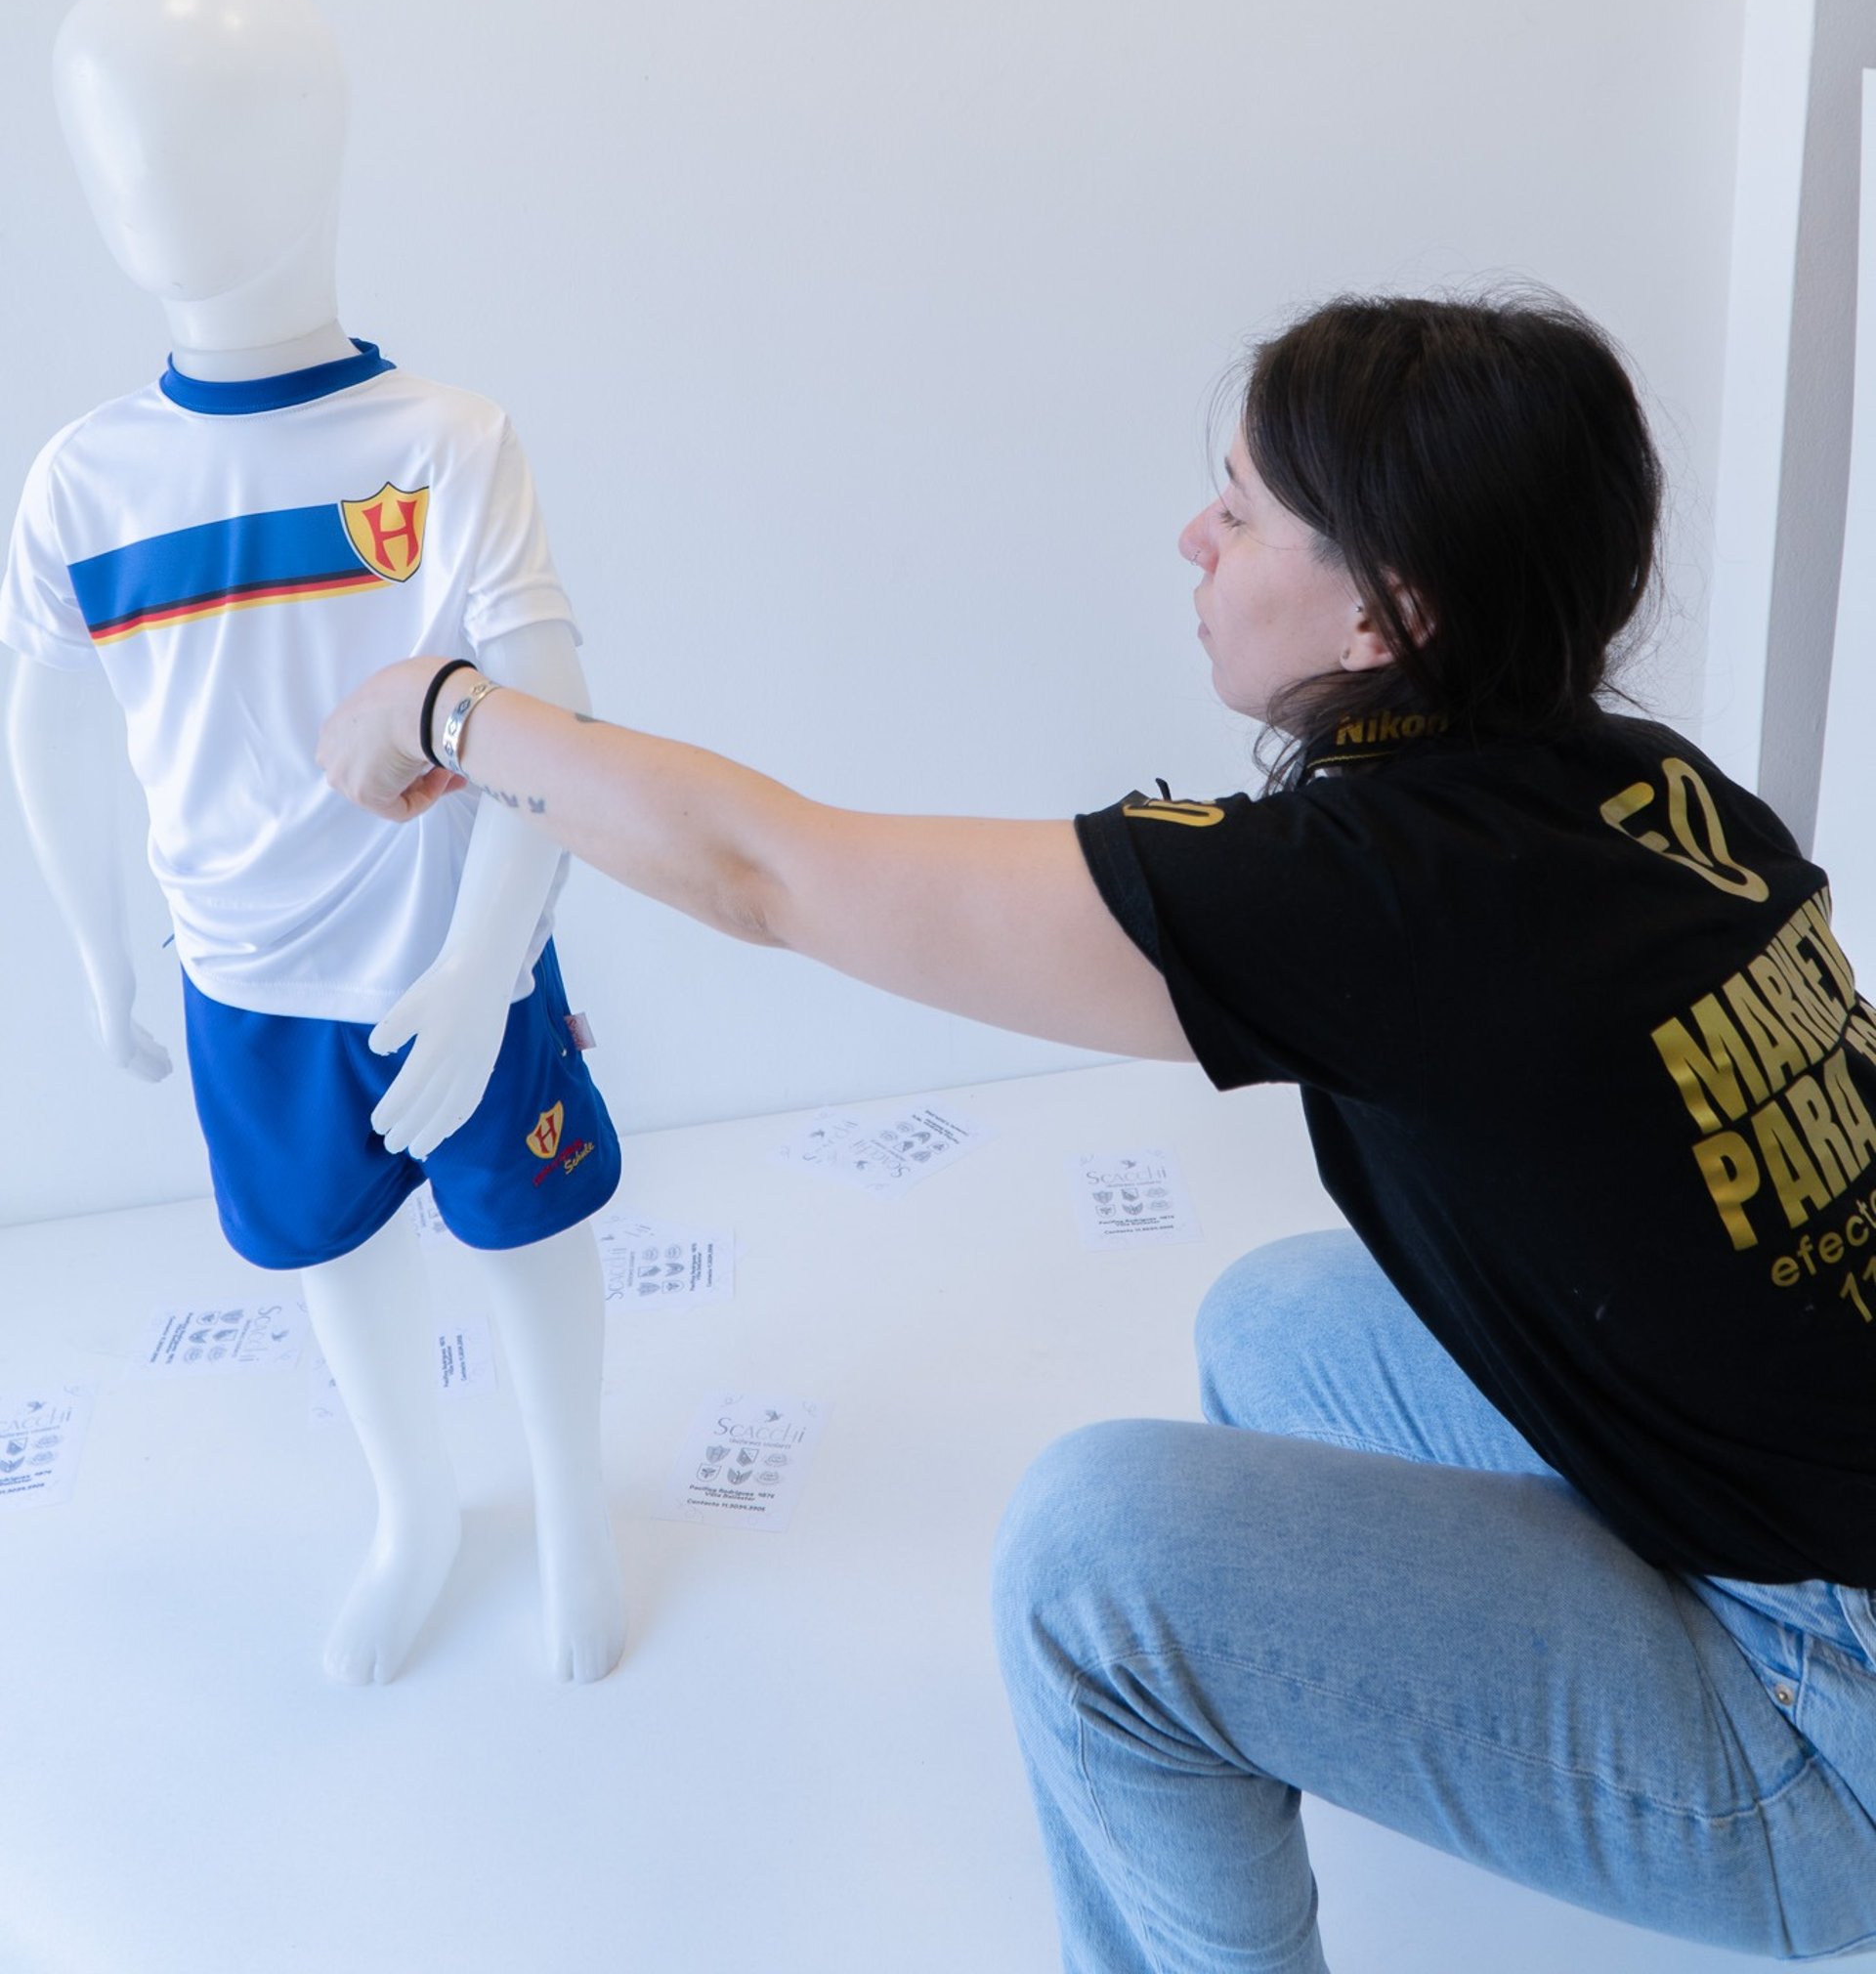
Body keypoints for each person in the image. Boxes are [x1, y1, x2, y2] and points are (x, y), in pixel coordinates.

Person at [319, 290, 1876, 1967]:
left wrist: (451, 712)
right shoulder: (1643, 783)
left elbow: (774, 875)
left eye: (1247, 506)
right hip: (1801, 1515)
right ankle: (1376, 1712)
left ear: (1391, 611)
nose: (1193, 537)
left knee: (1096, 1564)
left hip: (1831, 1725)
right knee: (1278, 1326)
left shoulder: (1391, 898)